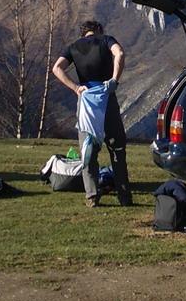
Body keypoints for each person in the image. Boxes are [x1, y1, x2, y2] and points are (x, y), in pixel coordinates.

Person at [51, 20, 132, 207]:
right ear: (99, 30)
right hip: (106, 97)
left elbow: (56, 68)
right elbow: (120, 53)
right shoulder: (106, 40)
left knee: (88, 150)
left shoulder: (73, 47)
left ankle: (92, 196)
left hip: (86, 101)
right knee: (117, 149)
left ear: (83, 33)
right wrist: (114, 80)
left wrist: (75, 88)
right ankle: (124, 197)